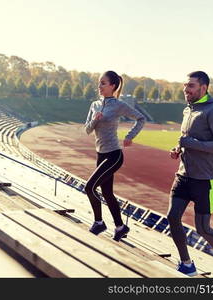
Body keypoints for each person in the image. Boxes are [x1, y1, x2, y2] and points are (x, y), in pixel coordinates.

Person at [168, 71, 213, 278]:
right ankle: (187, 263)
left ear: (203, 88)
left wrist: (194, 145)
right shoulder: (188, 110)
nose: (186, 90)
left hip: (206, 180)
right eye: (185, 85)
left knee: (203, 228)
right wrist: (178, 149)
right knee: (172, 217)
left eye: (191, 86)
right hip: (183, 175)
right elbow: (187, 140)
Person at [84, 70, 145, 241]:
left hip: (114, 155)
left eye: (103, 83)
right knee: (107, 193)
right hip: (100, 154)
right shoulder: (95, 105)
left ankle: (98, 222)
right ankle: (120, 227)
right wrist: (96, 119)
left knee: (89, 187)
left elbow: (140, 118)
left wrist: (130, 136)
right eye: (99, 83)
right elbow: (87, 129)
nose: (99, 86)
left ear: (113, 86)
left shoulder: (118, 105)